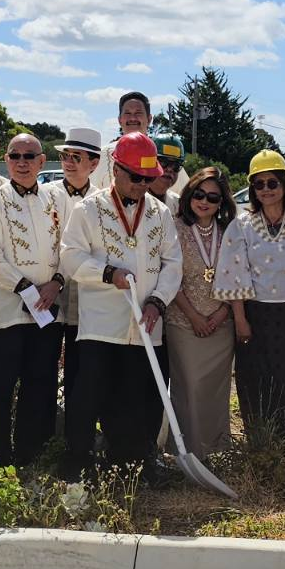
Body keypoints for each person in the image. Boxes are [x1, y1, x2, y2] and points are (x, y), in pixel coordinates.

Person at [60, 132, 181, 476]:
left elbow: (173, 263)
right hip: (101, 326)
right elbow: (70, 257)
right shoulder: (88, 210)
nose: (142, 185)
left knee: (140, 399)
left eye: (148, 178)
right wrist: (107, 272)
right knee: (90, 398)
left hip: (146, 326)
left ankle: (133, 463)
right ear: (115, 169)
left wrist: (158, 301)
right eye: (135, 177)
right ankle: (78, 465)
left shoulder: (160, 213)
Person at [215, 150, 285, 455]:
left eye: (272, 182)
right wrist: (239, 318)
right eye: (259, 184)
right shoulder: (242, 224)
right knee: (254, 381)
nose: (266, 190)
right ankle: (261, 448)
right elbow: (235, 271)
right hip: (252, 313)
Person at [0, 132, 68, 464]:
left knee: (39, 383)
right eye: (15, 156)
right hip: (9, 310)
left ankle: (31, 455)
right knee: (1, 389)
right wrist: (28, 290)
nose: (21, 163)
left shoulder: (55, 199)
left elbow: (68, 248)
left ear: (42, 161)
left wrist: (56, 283)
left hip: (47, 309)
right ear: (6, 159)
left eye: (29, 156)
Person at [165, 166, 237, 457]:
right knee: (189, 387)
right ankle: (185, 451)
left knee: (216, 391)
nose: (204, 201)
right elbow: (169, 277)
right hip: (183, 321)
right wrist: (195, 317)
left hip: (222, 324)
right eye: (199, 194)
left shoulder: (229, 231)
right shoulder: (174, 227)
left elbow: (239, 276)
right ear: (189, 194)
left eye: (213, 197)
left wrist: (221, 314)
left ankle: (216, 450)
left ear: (222, 202)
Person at [50, 127, 101, 408]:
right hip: (48, 295)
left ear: (93, 164)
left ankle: (76, 431)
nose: (68, 162)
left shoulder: (103, 202)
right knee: (44, 366)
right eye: (65, 156)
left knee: (81, 367)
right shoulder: (46, 194)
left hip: (85, 295)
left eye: (76, 157)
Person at [90, 91, 188, 195]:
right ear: (120, 120)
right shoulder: (102, 155)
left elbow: (184, 196)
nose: (133, 118)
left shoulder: (165, 157)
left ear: (149, 119)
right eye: (127, 113)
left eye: (138, 113)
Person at [148, 133, 185, 205]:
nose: (170, 169)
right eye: (163, 162)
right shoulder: (133, 200)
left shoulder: (180, 205)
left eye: (176, 165)